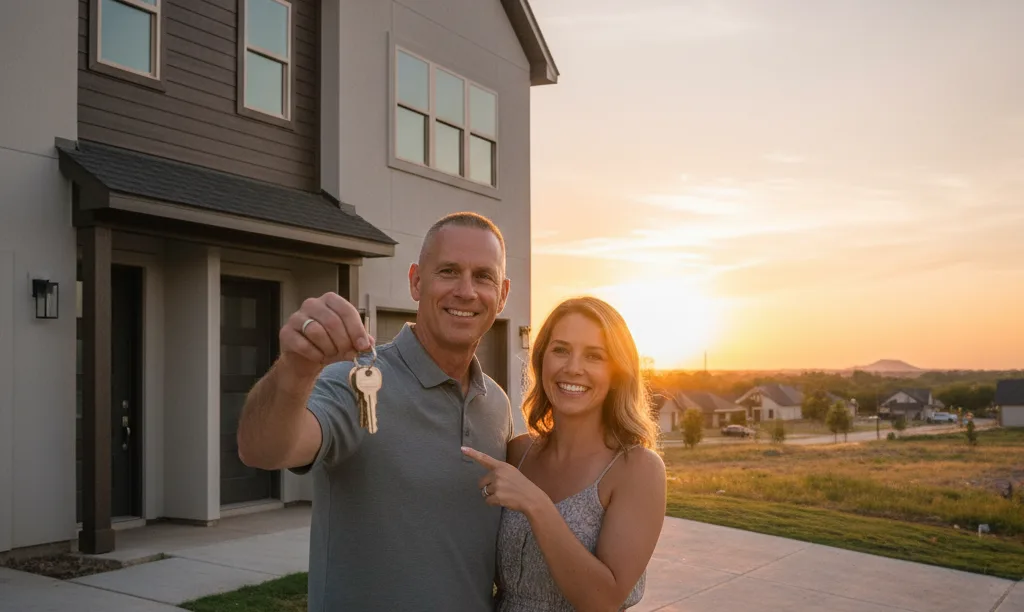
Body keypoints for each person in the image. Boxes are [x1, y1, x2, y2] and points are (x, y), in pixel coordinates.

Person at [236, 212, 515, 611]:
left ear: (502, 294)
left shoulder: (497, 404)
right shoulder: (354, 382)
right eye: (449, 271)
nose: (466, 291)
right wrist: (296, 370)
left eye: (483, 276)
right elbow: (261, 449)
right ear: (417, 281)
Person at [462, 296, 667, 611]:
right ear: (542, 360)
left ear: (617, 373)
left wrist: (535, 503)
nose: (573, 369)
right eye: (560, 350)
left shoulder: (637, 469)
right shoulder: (517, 452)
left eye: (594, 356)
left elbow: (603, 601)